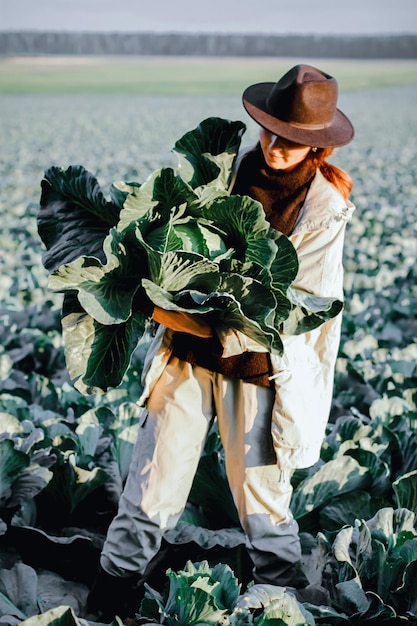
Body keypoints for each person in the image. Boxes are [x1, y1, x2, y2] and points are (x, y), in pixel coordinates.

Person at [87, 64, 355, 620]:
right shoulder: (222, 170)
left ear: (316, 145)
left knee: (263, 503)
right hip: (184, 363)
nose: (277, 146)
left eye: (294, 139)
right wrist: (155, 291)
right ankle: (110, 603)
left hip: (258, 369)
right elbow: (168, 234)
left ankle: (278, 607)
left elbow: (300, 304)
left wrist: (186, 318)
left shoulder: (326, 207)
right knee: (149, 488)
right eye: (271, 131)